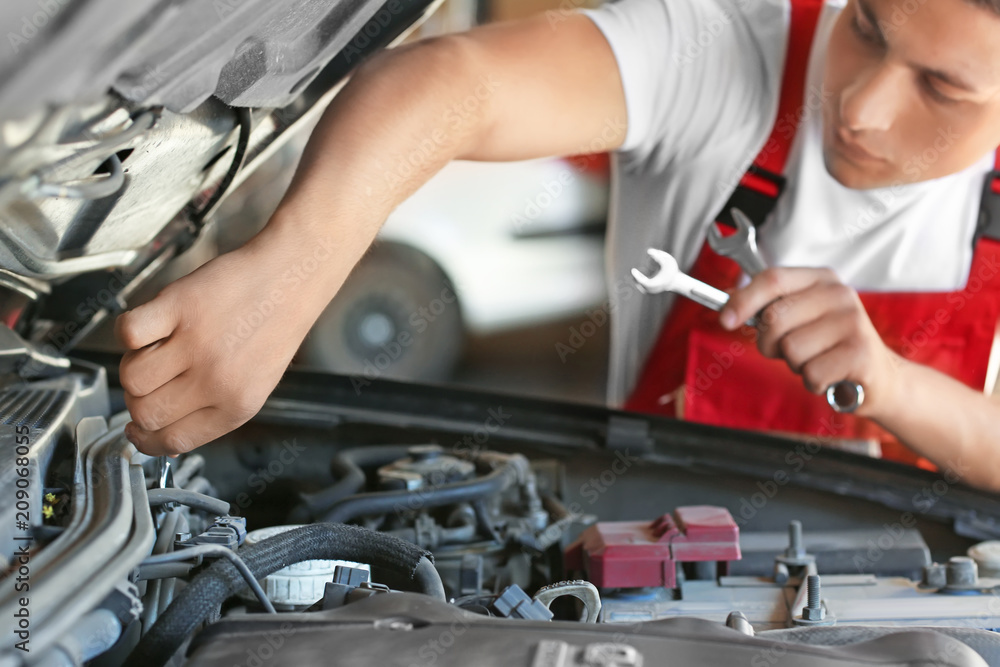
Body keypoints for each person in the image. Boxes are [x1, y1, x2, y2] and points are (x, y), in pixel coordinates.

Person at [114, 0, 1000, 491]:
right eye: (868, 30)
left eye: (942, 88)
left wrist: (890, 385)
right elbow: (454, 81)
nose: (860, 107)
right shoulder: (734, 52)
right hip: (646, 576)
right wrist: (293, 267)